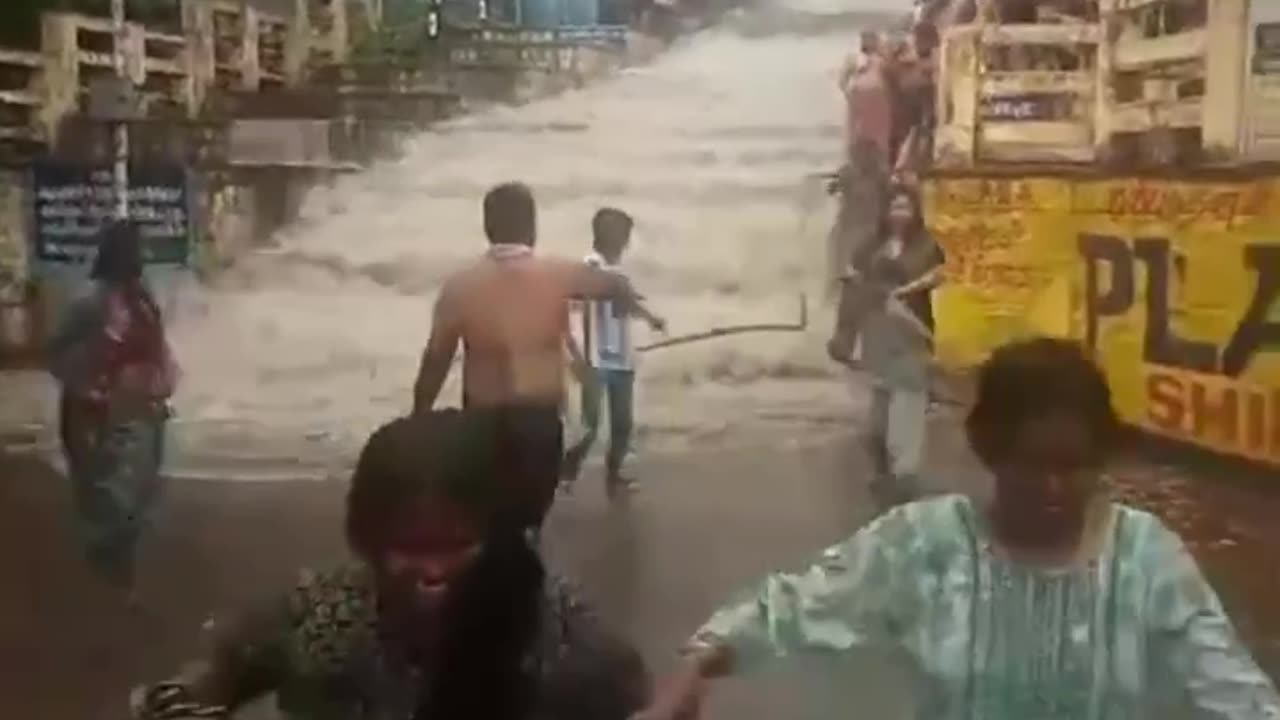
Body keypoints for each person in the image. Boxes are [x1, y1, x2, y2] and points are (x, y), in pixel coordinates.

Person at [640, 338, 1280, 720]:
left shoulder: (1147, 559)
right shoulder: (928, 545)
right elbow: (795, 605)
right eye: (1034, 465)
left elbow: (1231, 685)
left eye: (1075, 466)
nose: (1055, 488)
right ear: (990, 448)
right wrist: (693, 669)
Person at [130, 411, 651, 720]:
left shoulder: (564, 641)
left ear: (499, 539)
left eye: (455, 545)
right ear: (368, 540)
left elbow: (641, 699)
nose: (431, 572)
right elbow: (218, 666)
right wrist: (180, 699)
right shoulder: (319, 617)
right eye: (410, 548)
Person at [412, 182, 643, 536]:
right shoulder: (558, 274)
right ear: (532, 227)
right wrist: (624, 299)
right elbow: (614, 286)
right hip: (539, 417)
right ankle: (526, 554)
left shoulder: (459, 287)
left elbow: (436, 361)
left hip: (482, 419)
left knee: (491, 514)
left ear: (487, 227)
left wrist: (421, 417)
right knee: (529, 515)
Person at [47, 220, 177, 603]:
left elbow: (158, 345)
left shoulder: (142, 298)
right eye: (137, 249)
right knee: (104, 493)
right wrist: (89, 386)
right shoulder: (88, 301)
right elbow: (57, 352)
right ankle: (107, 583)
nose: (144, 256)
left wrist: (164, 377)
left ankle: (112, 569)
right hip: (95, 414)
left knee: (141, 492)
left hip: (142, 412)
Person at [831, 185, 944, 505]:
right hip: (877, 340)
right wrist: (844, 336)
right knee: (874, 426)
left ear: (916, 212)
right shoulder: (868, 246)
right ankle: (885, 476)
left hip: (911, 337)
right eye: (894, 207)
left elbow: (939, 277)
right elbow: (852, 293)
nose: (899, 214)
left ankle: (904, 480)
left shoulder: (925, 247)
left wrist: (903, 291)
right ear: (884, 211)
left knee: (905, 424)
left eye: (906, 208)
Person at [561, 208, 665, 499]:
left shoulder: (618, 272)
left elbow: (626, 302)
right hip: (594, 359)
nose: (627, 243)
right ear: (610, 237)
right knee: (590, 427)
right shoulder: (588, 268)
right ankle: (566, 473)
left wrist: (650, 319)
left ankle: (614, 475)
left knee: (623, 424)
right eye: (624, 236)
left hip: (621, 357)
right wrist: (575, 357)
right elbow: (571, 313)